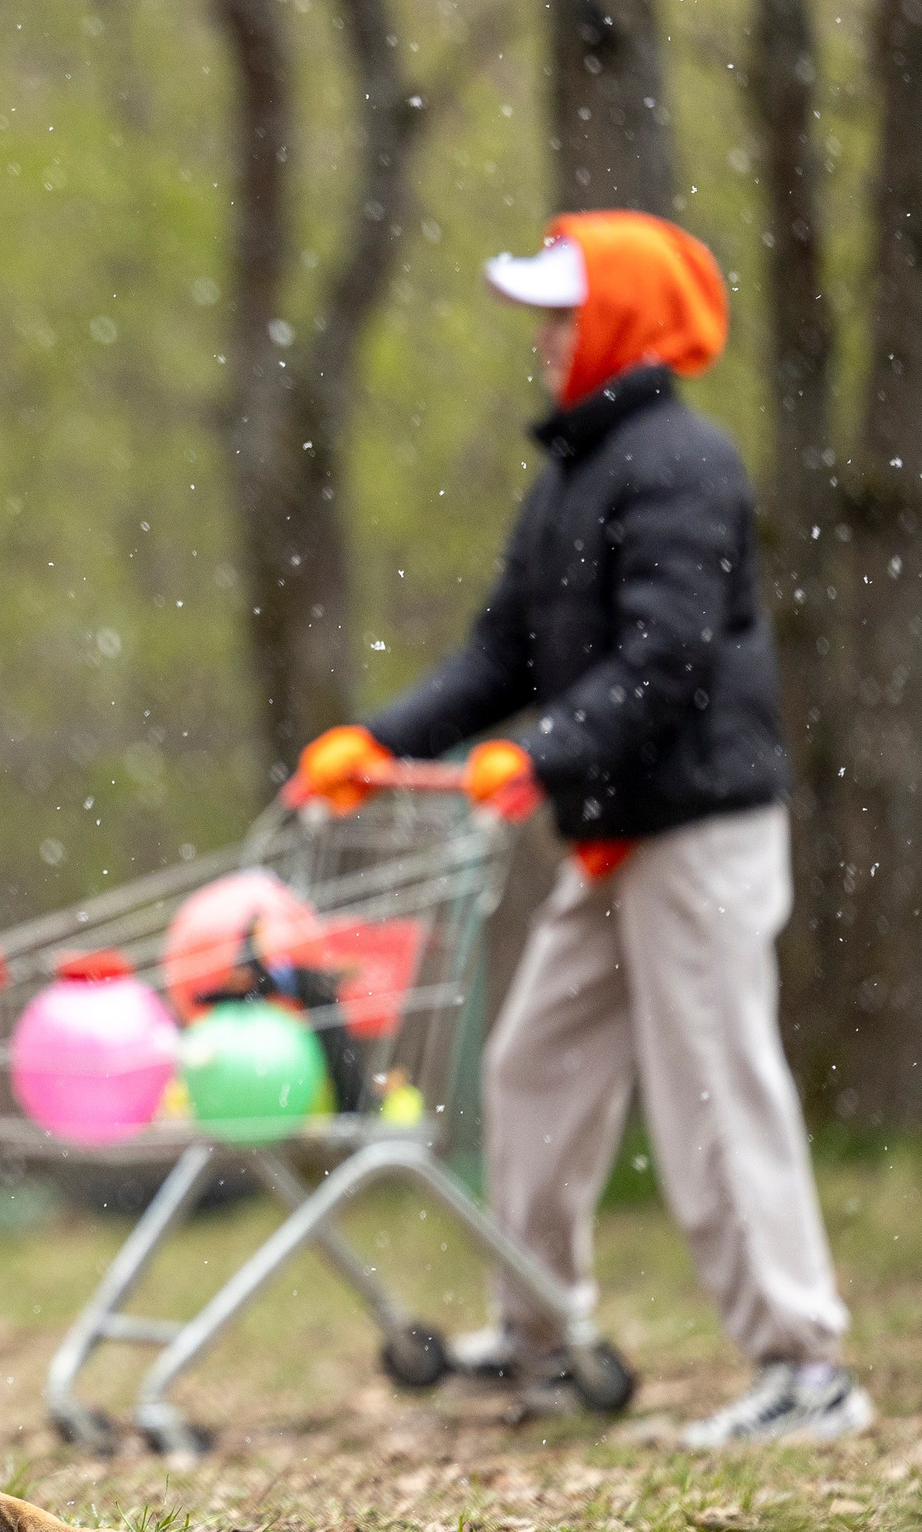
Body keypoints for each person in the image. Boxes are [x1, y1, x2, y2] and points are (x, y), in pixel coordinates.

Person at [293, 210, 869, 1447]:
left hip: (698, 834)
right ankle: (543, 1332)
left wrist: (537, 753)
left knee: (717, 1092)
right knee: (531, 1066)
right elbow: (501, 652)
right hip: (614, 835)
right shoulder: (571, 473)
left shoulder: (683, 463)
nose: (544, 338)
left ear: (619, 319)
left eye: (562, 313)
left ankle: (804, 1366)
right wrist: (384, 741)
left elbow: (664, 661)